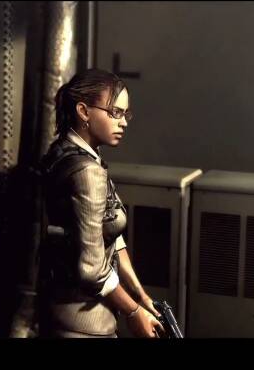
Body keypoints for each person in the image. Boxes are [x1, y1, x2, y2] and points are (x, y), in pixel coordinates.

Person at [38, 68, 163, 338]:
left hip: (59, 314)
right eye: (115, 113)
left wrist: (141, 295)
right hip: (85, 325)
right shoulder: (87, 172)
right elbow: (92, 269)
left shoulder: (61, 154)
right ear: (84, 111)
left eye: (125, 114)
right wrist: (133, 312)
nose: (124, 122)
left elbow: (109, 237)